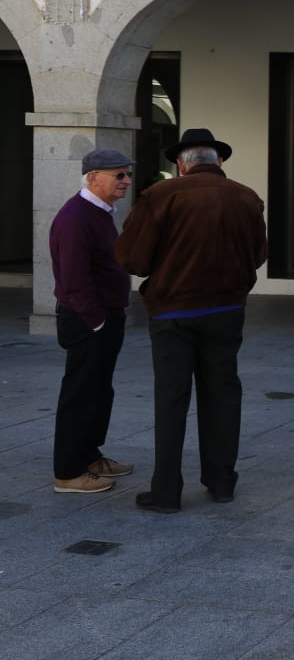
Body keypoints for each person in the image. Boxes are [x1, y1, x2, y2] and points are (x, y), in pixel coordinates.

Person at [114, 129, 268, 512]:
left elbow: (134, 259)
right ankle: (221, 482)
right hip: (226, 311)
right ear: (219, 162)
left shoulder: (160, 196)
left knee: (172, 399)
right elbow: (259, 254)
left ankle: (166, 491)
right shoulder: (246, 197)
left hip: (174, 312)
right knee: (222, 395)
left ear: (181, 164)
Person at [49, 150, 137, 494]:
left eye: (126, 175)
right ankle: (68, 472)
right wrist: (96, 321)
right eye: (119, 175)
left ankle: (89, 457)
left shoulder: (98, 212)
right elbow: (73, 278)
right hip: (89, 320)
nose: (127, 181)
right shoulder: (76, 217)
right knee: (81, 394)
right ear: (92, 177)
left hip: (104, 317)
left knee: (99, 391)